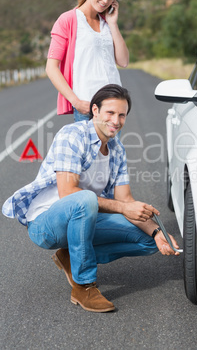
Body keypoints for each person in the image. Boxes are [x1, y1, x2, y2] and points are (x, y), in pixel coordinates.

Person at [2, 84, 180, 313]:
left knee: (148, 240)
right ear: (95, 110)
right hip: (46, 223)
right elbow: (68, 191)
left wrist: (158, 232)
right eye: (110, 113)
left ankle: (72, 256)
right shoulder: (72, 135)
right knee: (85, 198)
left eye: (122, 115)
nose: (116, 120)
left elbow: (125, 200)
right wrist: (122, 208)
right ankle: (83, 286)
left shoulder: (117, 150)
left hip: (85, 216)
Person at [46, 0, 129, 122]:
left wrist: (113, 24)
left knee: (113, 147)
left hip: (114, 106)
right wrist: (76, 102)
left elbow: (123, 61)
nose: (105, 0)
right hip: (88, 105)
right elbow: (51, 68)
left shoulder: (107, 23)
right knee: (88, 146)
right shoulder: (67, 20)